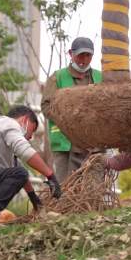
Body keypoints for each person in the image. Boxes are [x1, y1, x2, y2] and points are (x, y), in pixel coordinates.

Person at [41, 37, 102, 182]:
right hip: (65, 145)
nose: (84, 59)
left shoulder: (100, 77)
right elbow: (46, 107)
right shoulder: (58, 77)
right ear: (71, 53)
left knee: (94, 187)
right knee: (67, 186)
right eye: (80, 55)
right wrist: (69, 118)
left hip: (94, 144)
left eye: (88, 56)